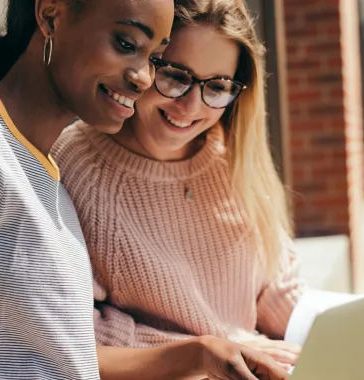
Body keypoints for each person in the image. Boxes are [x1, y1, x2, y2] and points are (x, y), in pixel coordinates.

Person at [0, 0, 288, 379]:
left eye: (155, 57)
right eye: (126, 43)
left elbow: (65, 360)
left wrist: (198, 355)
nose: (143, 77)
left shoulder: (45, 173)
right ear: (51, 15)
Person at [52, 0, 306, 371]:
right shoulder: (74, 166)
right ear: (144, 63)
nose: (190, 107)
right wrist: (216, 348)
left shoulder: (231, 152)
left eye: (217, 86)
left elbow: (274, 285)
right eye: (175, 76)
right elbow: (73, 333)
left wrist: (335, 326)